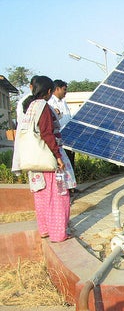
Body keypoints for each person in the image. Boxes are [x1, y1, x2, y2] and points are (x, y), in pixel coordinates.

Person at [14, 76, 77, 242]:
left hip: (34, 159)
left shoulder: (31, 106)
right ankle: (58, 233)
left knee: (41, 194)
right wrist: (58, 156)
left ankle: (45, 229)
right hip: (48, 159)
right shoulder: (43, 106)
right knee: (59, 195)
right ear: (49, 91)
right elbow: (47, 134)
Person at [48, 79, 77, 192]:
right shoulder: (50, 103)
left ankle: (71, 187)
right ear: (57, 89)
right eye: (64, 90)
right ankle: (64, 188)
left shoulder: (63, 102)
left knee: (70, 162)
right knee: (62, 165)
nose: (65, 92)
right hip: (58, 139)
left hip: (68, 138)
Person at [12, 76, 38, 173]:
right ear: (30, 87)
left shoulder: (41, 101)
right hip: (30, 139)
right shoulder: (26, 100)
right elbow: (22, 121)